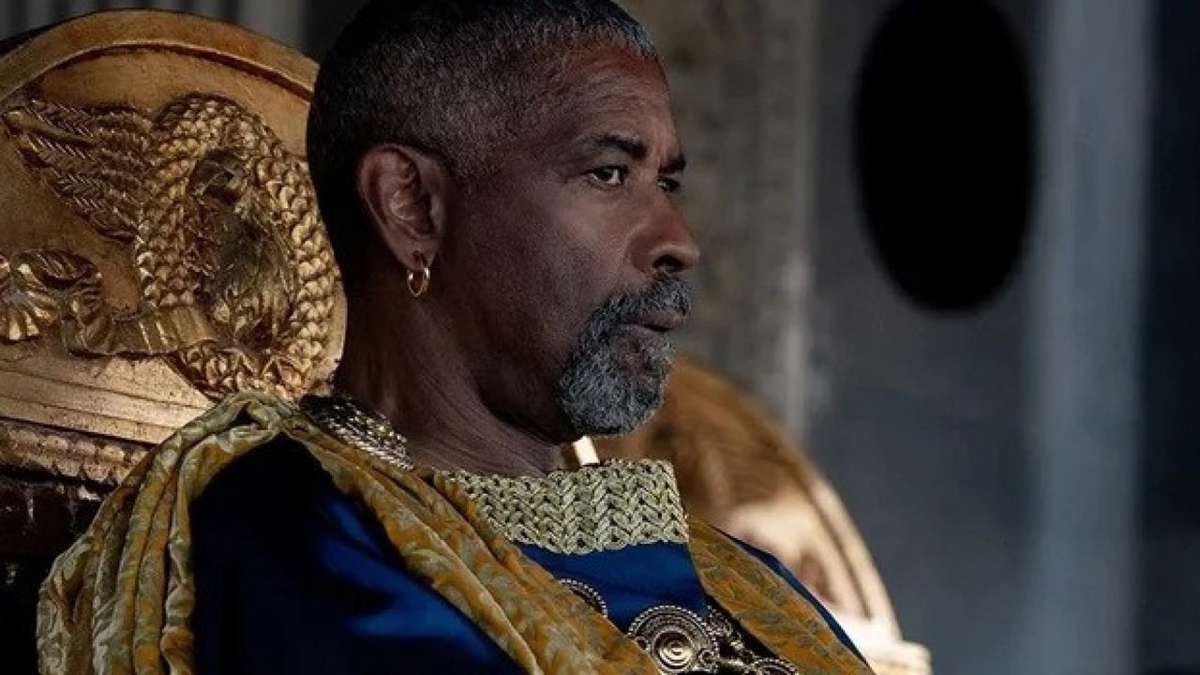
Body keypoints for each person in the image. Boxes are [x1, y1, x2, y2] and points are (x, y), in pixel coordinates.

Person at [37, 2, 872, 673]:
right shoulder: (293, 535)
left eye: (667, 182)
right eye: (609, 173)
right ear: (412, 206)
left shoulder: (749, 583)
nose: (677, 240)